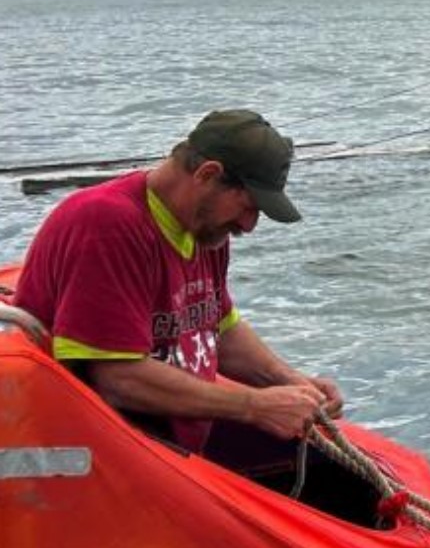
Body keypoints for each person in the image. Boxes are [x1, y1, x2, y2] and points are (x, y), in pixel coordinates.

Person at [13, 109, 343, 454]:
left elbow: (220, 326)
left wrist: (290, 380)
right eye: (248, 206)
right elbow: (117, 378)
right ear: (208, 174)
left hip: (170, 443)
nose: (249, 226)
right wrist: (254, 406)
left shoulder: (204, 229)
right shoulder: (108, 224)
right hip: (102, 455)